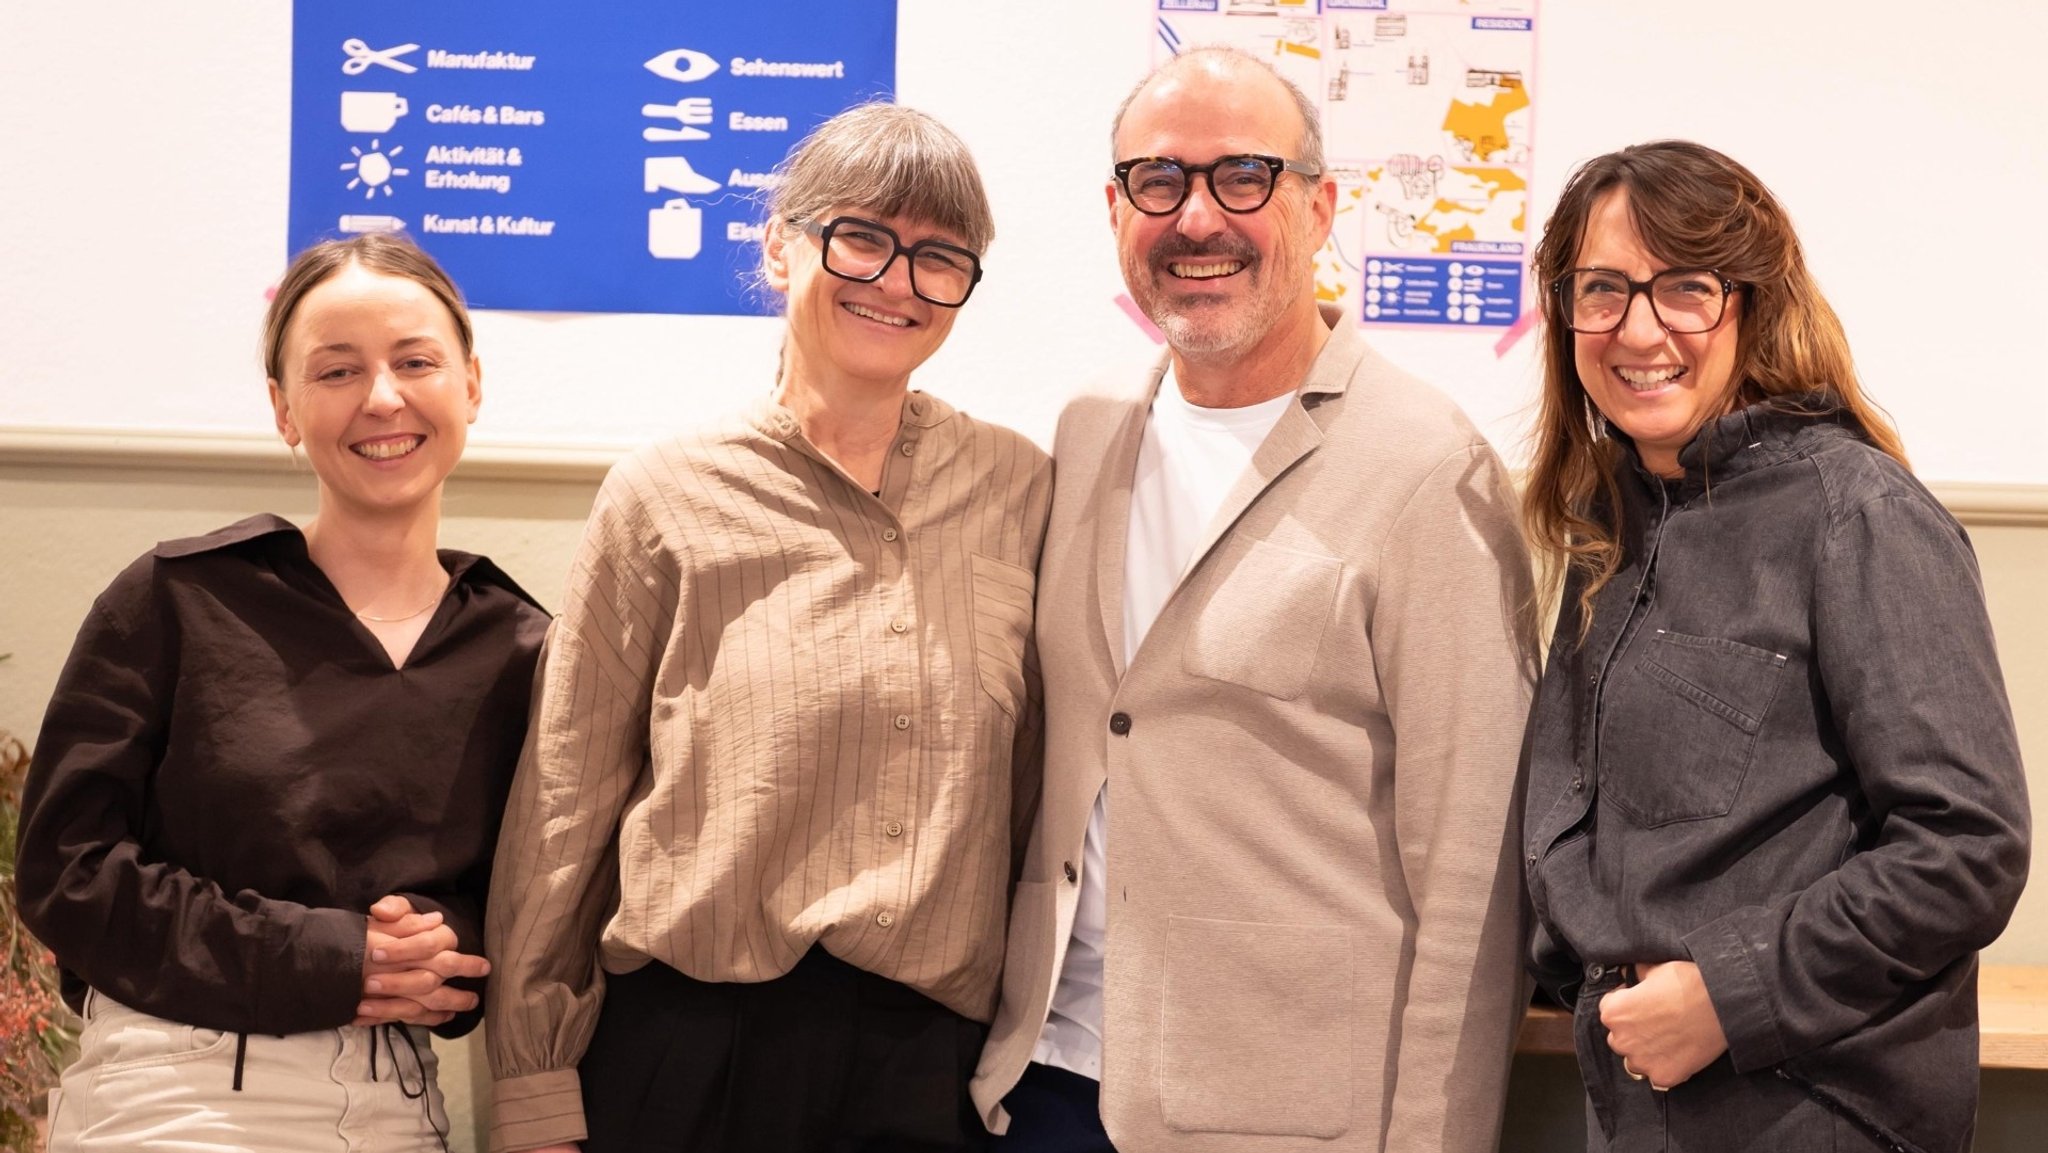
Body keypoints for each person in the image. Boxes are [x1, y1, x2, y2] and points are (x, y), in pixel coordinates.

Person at [971, 47, 1536, 1153]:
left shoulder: (1428, 466)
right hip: (1045, 1077)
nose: (1195, 219)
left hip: (1285, 1111)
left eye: (1243, 177)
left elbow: (1471, 874)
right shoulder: (1090, 433)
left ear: (1318, 208)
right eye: (1158, 181)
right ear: (1114, 208)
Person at [483, 102, 1053, 1153]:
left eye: (940, 257)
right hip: (692, 1053)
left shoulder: (1020, 489)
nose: (897, 283)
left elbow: (1034, 789)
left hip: (927, 1069)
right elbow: (565, 801)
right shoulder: (666, 493)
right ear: (779, 244)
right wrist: (532, 1083)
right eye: (863, 238)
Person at [1518, 139, 2031, 1153]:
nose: (1637, 327)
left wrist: (1726, 992)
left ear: (1750, 303)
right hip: (1633, 1104)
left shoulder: (1857, 514)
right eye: (1602, 290)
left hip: (1810, 1110)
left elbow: (1967, 846)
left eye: (1684, 288)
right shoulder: (1610, 524)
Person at [16, 232, 549, 1151]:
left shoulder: (521, 645)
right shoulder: (178, 598)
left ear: (471, 383)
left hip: (396, 1099)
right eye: (337, 371)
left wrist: (440, 950)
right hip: (170, 1093)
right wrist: (334, 958)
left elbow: (529, 904)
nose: (382, 397)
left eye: (415, 361)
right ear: (284, 409)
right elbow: (66, 872)